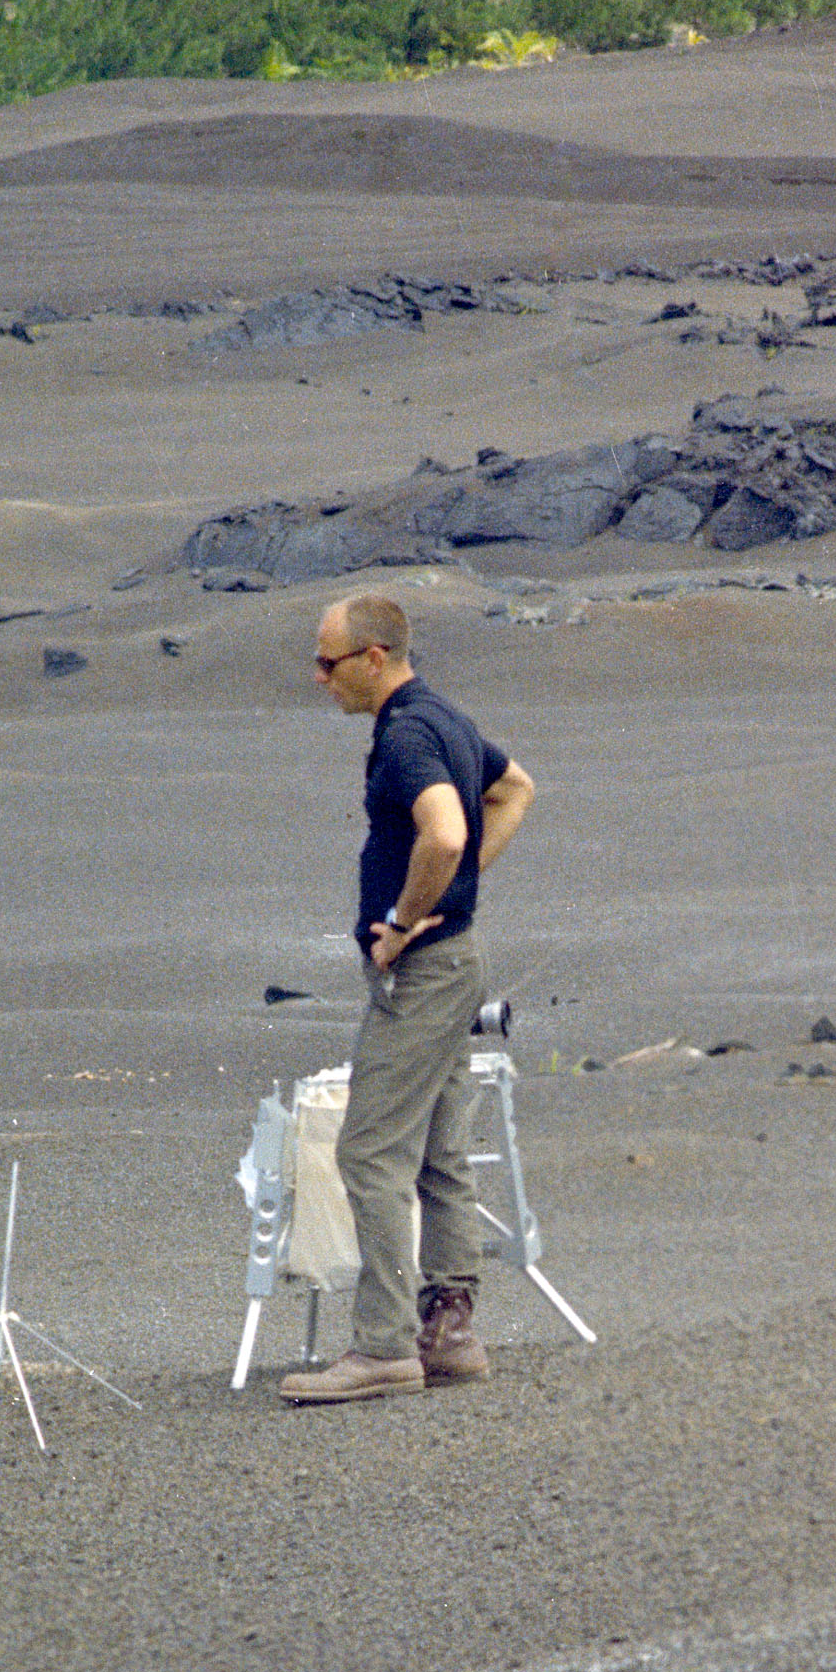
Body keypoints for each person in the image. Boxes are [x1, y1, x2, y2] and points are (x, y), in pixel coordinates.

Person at [282, 594, 535, 1405]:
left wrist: (403, 919)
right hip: (456, 962)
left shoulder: (407, 733)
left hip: (426, 972)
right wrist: (452, 893)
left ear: (375, 657)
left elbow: (448, 831)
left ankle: (386, 1348)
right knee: (438, 1154)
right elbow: (517, 788)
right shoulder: (443, 717)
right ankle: (450, 1334)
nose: (318, 676)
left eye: (328, 661)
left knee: (369, 1152)